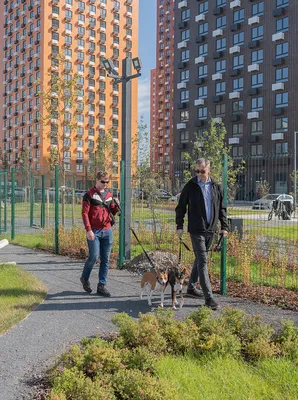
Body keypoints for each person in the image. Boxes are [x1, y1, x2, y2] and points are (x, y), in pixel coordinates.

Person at [175, 158, 228, 310]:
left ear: (209, 170)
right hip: (196, 229)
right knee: (203, 261)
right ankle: (209, 298)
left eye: (202, 171)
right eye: (197, 171)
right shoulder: (191, 186)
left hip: (211, 229)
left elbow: (222, 208)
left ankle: (191, 287)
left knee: (199, 259)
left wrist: (224, 226)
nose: (199, 174)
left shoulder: (216, 187)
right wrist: (180, 225)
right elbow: (181, 207)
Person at [80, 171, 120, 297]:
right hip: (94, 231)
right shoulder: (89, 195)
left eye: (107, 182)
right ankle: (84, 278)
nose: (105, 184)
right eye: (103, 182)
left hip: (107, 230)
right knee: (94, 256)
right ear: (96, 181)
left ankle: (101, 286)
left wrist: (117, 206)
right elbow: (84, 213)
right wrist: (88, 230)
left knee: (106, 259)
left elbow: (112, 211)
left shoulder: (109, 195)